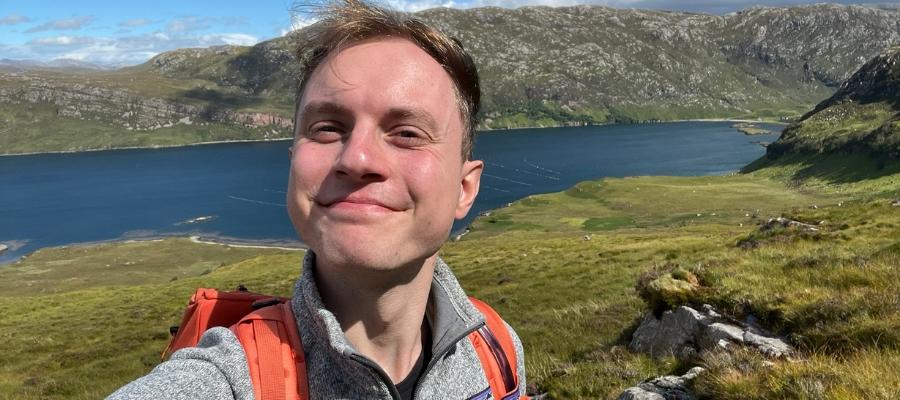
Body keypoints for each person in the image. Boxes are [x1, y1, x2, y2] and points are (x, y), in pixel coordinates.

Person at [108, 0, 526, 399]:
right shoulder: (220, 382)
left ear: (464, 188)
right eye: (327, 127)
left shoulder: (496, 349)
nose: (357, 159)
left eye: (407, 133)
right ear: (293, 165)